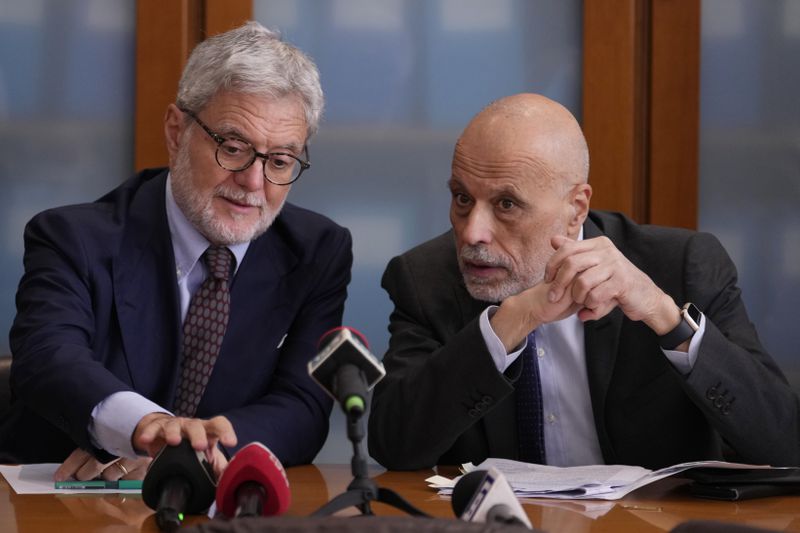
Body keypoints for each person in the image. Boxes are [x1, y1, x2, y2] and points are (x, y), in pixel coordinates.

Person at [368, 93, 799, 471]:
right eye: (462, 198)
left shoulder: (680, 266)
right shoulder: (426, 278)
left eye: (506, 204)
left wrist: (666, 318)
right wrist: (505, 327)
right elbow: (395, 445)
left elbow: (785, 443)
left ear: (576, 208)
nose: (472, 232)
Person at [0, 22, 352, 481]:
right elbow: (48, 356)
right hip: (69, 503)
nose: (253, 182)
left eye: (280, 161)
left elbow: (303, 406)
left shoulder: (317, 251)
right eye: (233, 147)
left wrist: (198, 449)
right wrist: (144, 427)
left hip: (217, 507)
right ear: (175, 132)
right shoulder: (72, 237)